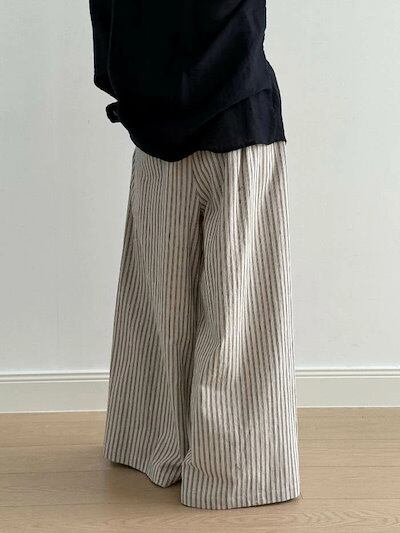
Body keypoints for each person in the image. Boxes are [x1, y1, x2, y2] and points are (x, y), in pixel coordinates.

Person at [89, 0, 301, 510]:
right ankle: (235, 473)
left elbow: (105, 18)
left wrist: (132, 91)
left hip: (156, 126)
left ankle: (154, 446)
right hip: (240, 116)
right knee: (241, 316)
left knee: (159, 308)